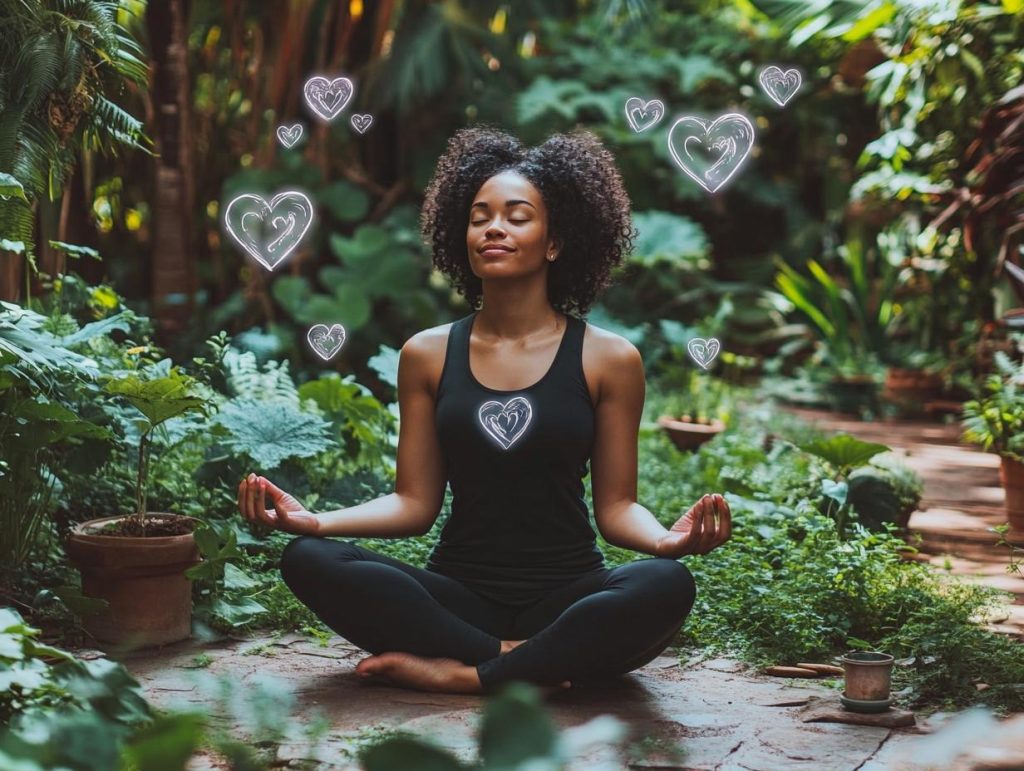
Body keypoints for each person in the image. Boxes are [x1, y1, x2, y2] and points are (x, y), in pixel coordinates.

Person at [236, 126, 732, 696]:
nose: (493, 227)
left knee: (666, 583)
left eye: (517, 216)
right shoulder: (427, 354)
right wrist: (315, 521)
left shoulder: (609, 359)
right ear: (461, 236)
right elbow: (413, 504)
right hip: (458, 597)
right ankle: (525, 664)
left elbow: (616, 508)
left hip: (567, 592)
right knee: (308, 559)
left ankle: (464, 673)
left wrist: (667, 543)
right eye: (479, 216)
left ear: (554, 241)